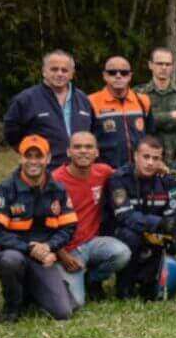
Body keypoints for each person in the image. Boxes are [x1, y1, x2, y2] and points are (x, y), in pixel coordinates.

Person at [0, 136, 78, 323]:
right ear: (21, 158)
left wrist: (49, 247)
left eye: (39, 156)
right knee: (11, 261)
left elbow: (69, 227)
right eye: (28, 156)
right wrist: (30, 248)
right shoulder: (5, 190)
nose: (33, 161)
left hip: (43, 255)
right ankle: (12, 306)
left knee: (63, 312)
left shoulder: (58, 189)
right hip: (10, 252)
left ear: (48, 158)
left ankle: (34, 291)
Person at [52, 131, 132, 307]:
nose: (83, 151)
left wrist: (160, 168)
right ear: (68, 152)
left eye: (88, 147)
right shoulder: (56, 180)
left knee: (122, 253)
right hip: (66, 250)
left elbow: (129, 175)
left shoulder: (103, 172)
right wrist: (62, 255)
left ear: (96, 152)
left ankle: (92, 279)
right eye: (77, 147)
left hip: (92, 242)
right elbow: (44, 225)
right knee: (76, 303)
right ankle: (63, 279)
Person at [108, 136, 176, 301]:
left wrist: (172, 230)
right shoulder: (119, 178)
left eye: (155, 158)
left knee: (174, 238)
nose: (150, 163)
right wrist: (158, 223)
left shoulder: (166, 181)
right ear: (135, 156)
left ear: (161, 160)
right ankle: (125, 286)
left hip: (155, 237)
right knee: (130, 235)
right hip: (127, 235)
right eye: (146, 157)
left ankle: (155, 281)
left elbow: (171, 216)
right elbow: (125, 216)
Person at [3, 50, 93, 169]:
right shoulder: (26, 99)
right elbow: (11, 134)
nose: (59, 74)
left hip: (78, 172)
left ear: (72, 74)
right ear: (44, 71)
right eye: (54, 69)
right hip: (44, 172)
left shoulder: (83, 99)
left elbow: (93, 133)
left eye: (64, 70)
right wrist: (34, 156)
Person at [86, 55, 151, 171]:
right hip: (106, 172)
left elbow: (151, 135)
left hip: (139, 171)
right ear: (105, 76)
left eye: (124, 73)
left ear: (130, 76)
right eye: (112, 72)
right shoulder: (91, 101)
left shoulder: (143, 101)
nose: (118, 76)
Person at [138, 47, 176, 160]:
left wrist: (154, 119)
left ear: (172, 66)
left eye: (168, 64)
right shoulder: (139, 93)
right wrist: (171, 116)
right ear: (150, 65)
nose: (164, 68)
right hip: (149, 157)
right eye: (159, 64)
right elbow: (139, 122)